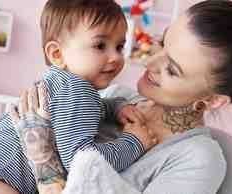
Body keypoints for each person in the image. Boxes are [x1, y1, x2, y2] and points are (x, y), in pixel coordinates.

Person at [0, 0, 232, 193]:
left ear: (215, 99)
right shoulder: (116, 96)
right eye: (161, 42)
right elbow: (45, 120)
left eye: (172, 69)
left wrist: (44, 162)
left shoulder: (200, 160)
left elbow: (58, 152)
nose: (149, 61)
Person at [8, 0, 157, 191]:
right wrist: (132, 143)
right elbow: (82, 161)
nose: (116, 57)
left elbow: (87, 110)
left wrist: (115, 108)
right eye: (100, 46)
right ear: (57, 54)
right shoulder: (76, 88)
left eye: (119, 46)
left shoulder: (63, 83)